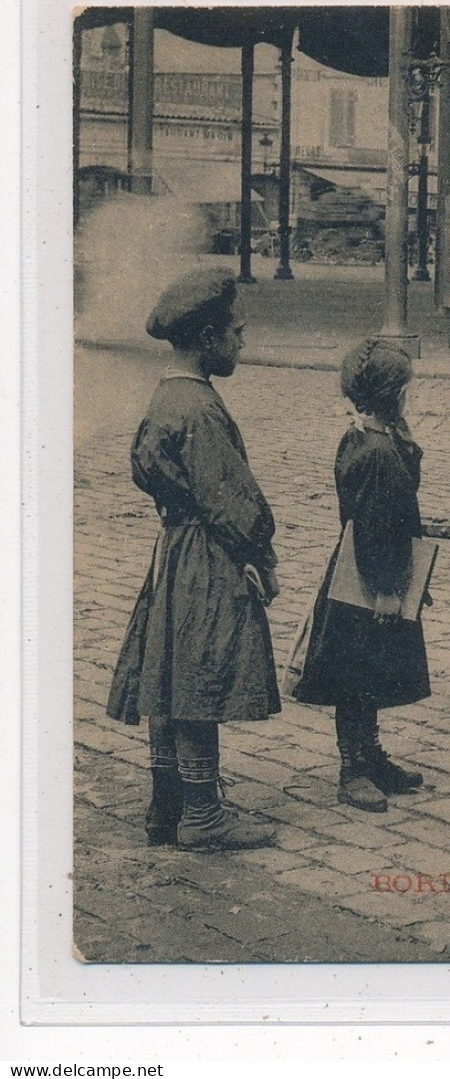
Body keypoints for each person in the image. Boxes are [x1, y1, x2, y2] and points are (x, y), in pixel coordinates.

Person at [106, 268, 280, 852]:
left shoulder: (165, 396)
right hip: (208, 556)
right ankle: (204, 818)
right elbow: (232, 498)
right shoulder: (202, 408)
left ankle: (167, 806)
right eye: (235, 332)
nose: (242, 342)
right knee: (199, 678)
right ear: (207, 337)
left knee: (170, 672)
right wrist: (261, 555)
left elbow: (144, 470)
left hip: (173, 552)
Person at [289, 340, 430, 812]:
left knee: (372, 672)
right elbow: (371, 528)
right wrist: (387, 591)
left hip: (370, 570)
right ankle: (352, 767)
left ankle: (371, 756)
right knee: (354, 678)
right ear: (394, 394)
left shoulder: (373, 438)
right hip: (365, 579)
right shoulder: (374, 452)